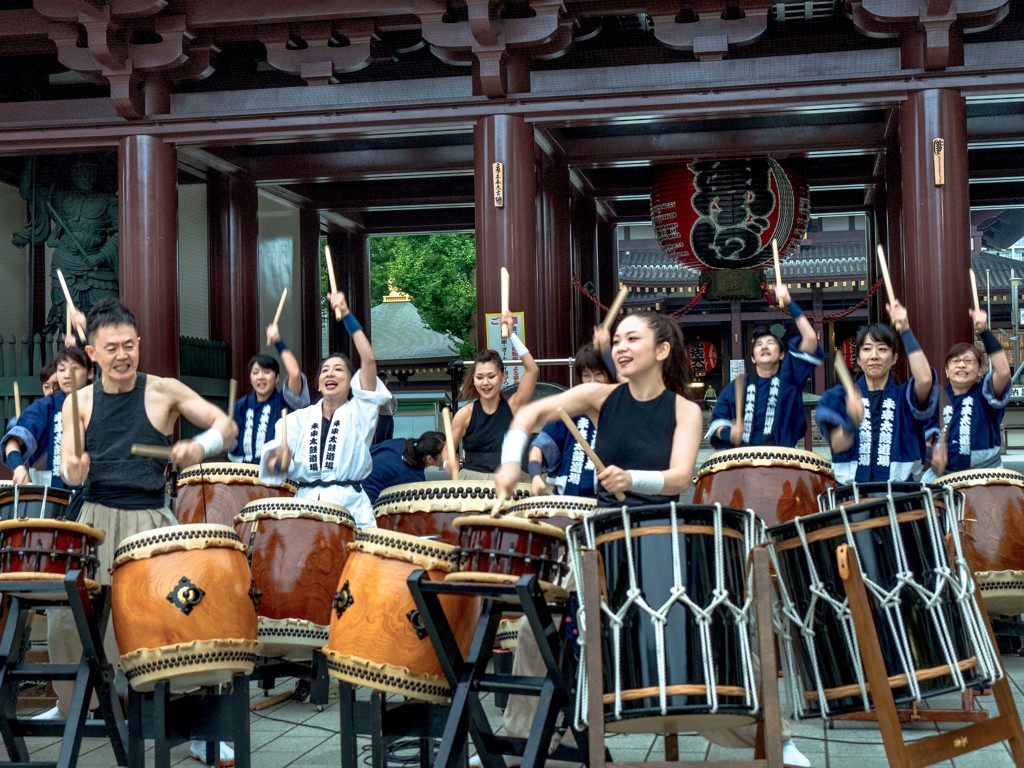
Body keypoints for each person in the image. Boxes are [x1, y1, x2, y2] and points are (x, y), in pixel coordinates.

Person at [495, 312, 811, 767]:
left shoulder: (685, 409)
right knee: (536, 625)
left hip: (661, 531)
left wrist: (632, 477)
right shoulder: (600, 397)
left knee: (715, 626)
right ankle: (524, 741)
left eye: (632, 339)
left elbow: (680, 475)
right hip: (599, 530)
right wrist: (510, 463)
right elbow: (529, 412)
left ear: (662, 351)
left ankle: (773, 737)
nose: (620, 347)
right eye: (617, 340)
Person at [50, 297, 238, 767]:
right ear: (92, 352)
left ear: (139, 344)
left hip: (151, 521)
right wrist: (73, 468)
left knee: (182, 618)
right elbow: (72, 471)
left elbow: (225, 425)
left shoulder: (164, 390)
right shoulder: (79, 401)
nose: (122, 355)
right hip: (94, 520)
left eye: (129, 345)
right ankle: (77, 707)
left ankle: (199, 730)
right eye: (111, 347)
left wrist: (200, 444)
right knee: (69, 622)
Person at [260, 291, 392, 528]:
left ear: (353, 381)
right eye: (325, 370)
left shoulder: (360, 412)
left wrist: (347, 313)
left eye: (339, 370)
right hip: (305, 506)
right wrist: (278, 461)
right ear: (319, 384)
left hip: (350, 507)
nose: (330, 373)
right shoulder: (298, 420)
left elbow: (369, 359)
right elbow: (272, 465)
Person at [815, 300, 937, 485]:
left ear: (894, 358)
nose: (874, 356)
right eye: (867, 349)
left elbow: (925, 379)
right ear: (859, 359)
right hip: (852, 497)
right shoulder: (839, 397)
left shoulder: (905, 398)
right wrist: (851, 422)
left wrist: (905, 329)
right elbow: (838, 445)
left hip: (900, 496)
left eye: (882, 349)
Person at [12, 156, 119, 337]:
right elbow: (27, 192)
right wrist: (30, 160)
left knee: (107, 318)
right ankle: (73, 360)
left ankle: (103, 361)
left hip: (97, 264)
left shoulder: (108, 200)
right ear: (72, 175)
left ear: (96, 175)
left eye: (88, 173)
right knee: (67, 320)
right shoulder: (60, 196)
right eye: (79, 172)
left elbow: (121, 231)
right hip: (65, 263)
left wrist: (101, 256)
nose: (84, 177)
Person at [707, 284, 823, 449]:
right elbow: (717, 422)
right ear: (753, 358)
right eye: (759, 344)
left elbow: (811, 339)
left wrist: (789, 301)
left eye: (771, 343)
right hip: (744, 461)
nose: (764, 346)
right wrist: (728, 433)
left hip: (783, 458)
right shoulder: (738, 386)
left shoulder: (790, 380)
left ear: (782, 354)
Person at [451, 312, 539, 479]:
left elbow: (533, 370)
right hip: (472, 479)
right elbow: (448, 449)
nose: (485, 382)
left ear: (502, 377)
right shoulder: (465, 414)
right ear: (474, 380)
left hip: (508, 477)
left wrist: (512, 334)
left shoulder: (513, 406)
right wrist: (448, 461)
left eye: (491, 376)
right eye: (479, 377)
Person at [927, 307, 1011, 478]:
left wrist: (985, 331)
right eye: (955, 361)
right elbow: (927, 434)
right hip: (944, 476)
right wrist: (934, 449)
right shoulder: (936, 400)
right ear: (946, 371)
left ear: (980, 371)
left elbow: (1002, 371)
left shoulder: (985, 394)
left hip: (987, 474)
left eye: (968, 361)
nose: (961, 365)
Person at [526, 344, 614, 497]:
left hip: (606, 503)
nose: (593, 381)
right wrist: (535, 476)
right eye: (587, 375)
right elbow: (539, 447)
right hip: (565, 500)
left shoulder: (621, 410)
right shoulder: (570, 410)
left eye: (599, 374)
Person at [2, 346, 93, 490]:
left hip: (93, 497)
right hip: (50, 496)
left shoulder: (100, 404)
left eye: (74, 369)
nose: (67, 375)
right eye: (61, 370)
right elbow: (12, 443)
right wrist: (18, 467)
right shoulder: (44, 407)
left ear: (90, 373)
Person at [228, 322, 309, 464]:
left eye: (266, 372)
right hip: (244, 475)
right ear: (250, 378)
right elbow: (228, 440)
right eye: (255, 372)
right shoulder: (241, 406)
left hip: (276, 475)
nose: (261, 377)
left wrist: (278, 340)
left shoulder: (284, 402)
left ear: (277, 377)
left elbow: (295, 374)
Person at [362, 431, 447, 504]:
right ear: (429, 459)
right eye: (446, 453)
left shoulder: (400, 442)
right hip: (365, 501)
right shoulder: (414, 480)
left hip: (356, 474)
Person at [372, 371, 397, 445]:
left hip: (389, 417)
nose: (383, 381)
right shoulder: (375, 391)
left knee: (389, 437)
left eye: (384, 380)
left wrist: (393, 412)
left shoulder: (388, 392)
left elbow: (394, 402)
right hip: (380, 417)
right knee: (380, 438)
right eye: (381, 380)